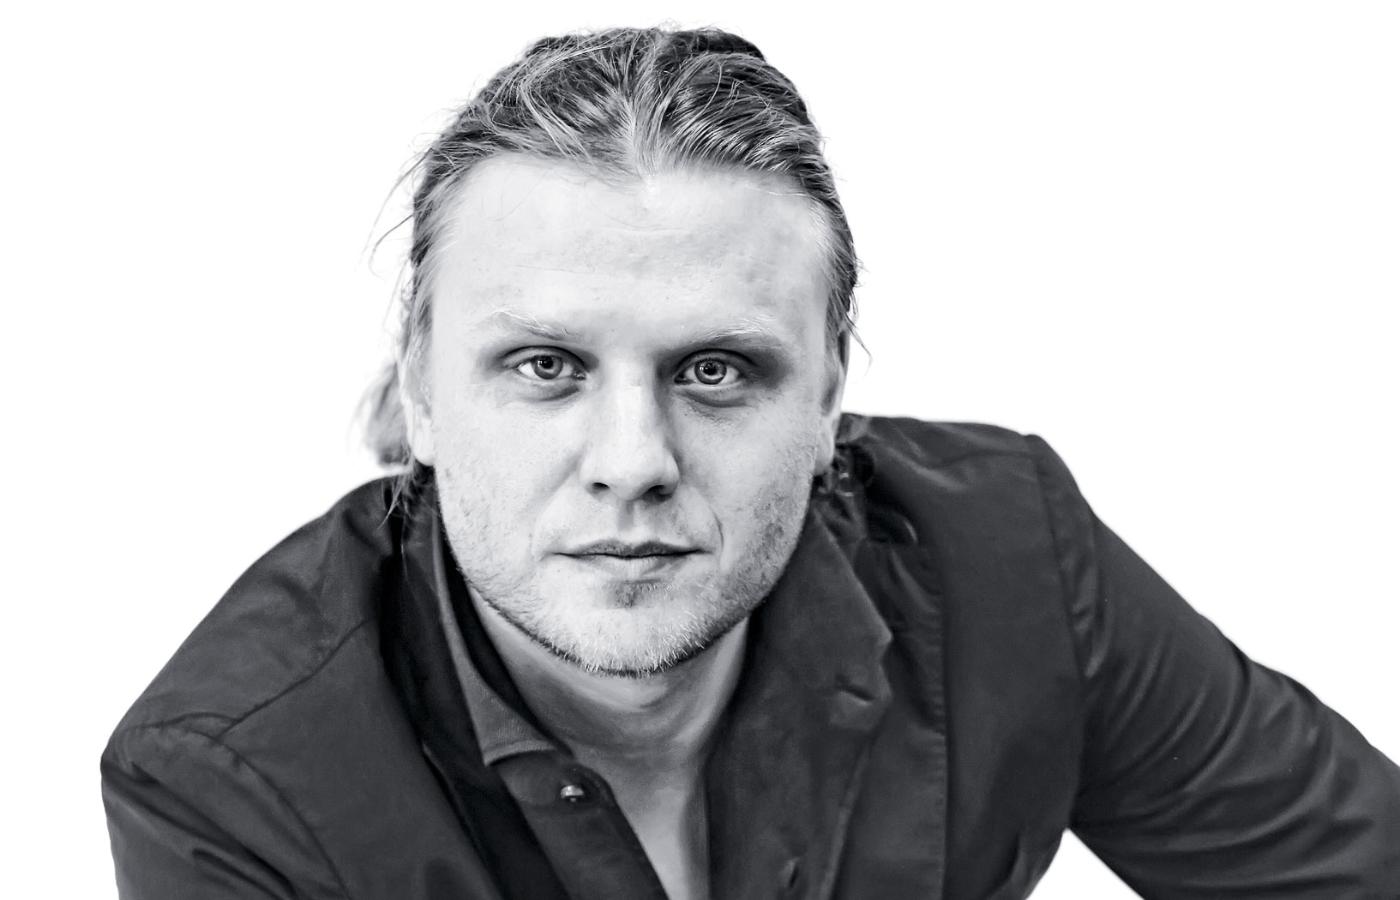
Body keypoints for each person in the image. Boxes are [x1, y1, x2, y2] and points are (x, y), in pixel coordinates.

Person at [100, 26, 1400, 899]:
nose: (633, 462)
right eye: (545, 365)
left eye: (715, 370)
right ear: (420, 398)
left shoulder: (1010, 557)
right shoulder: (231, 779)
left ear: (831, 397)